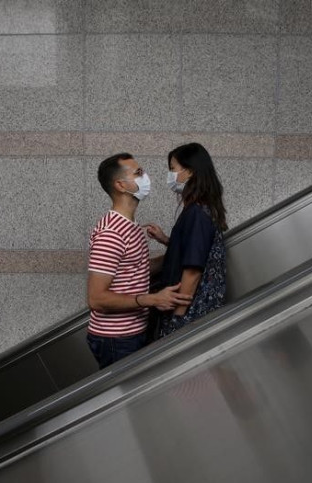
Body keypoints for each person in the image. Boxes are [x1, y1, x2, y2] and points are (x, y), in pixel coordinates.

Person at [87, 152, 193, 369]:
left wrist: (175, 252)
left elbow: (138, 269)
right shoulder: (111, 233)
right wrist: (151, 299)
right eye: (138, 173)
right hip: (116, 340)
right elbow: (96, 299)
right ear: (121, 185)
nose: (146, 177)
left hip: (132, 333)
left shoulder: (130, 226)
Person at [146, 142, 228, 338]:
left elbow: (193, 271)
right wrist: (166, 239)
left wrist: (178, 318)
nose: (170, 175)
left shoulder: (197, 213)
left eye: (173, 169)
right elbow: (195, 248)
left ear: (190, 172)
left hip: (191, 312)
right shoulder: (201, 209)